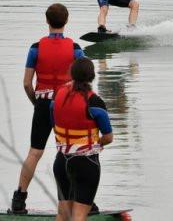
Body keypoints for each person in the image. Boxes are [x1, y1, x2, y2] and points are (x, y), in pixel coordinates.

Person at [11, 3, 85, 214]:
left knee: (35, 152)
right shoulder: (75, 49)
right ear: (66, 21)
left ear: (47, 21)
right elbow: (83, 81)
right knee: (70, 152)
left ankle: (19, 199)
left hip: (43, 103)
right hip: (66, 104)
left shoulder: (35, 48)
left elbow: (26, 83)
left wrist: (37, 103)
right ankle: (81, 201)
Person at [52, 57, 113, 221]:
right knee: (79, 216)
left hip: (61, 162)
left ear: (71, 73)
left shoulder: (58, 96)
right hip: (86, 163)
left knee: (62, 214)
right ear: (92, 76)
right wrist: (97, 142)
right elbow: (108, 137)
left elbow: (53, 120)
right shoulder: (95, 102)